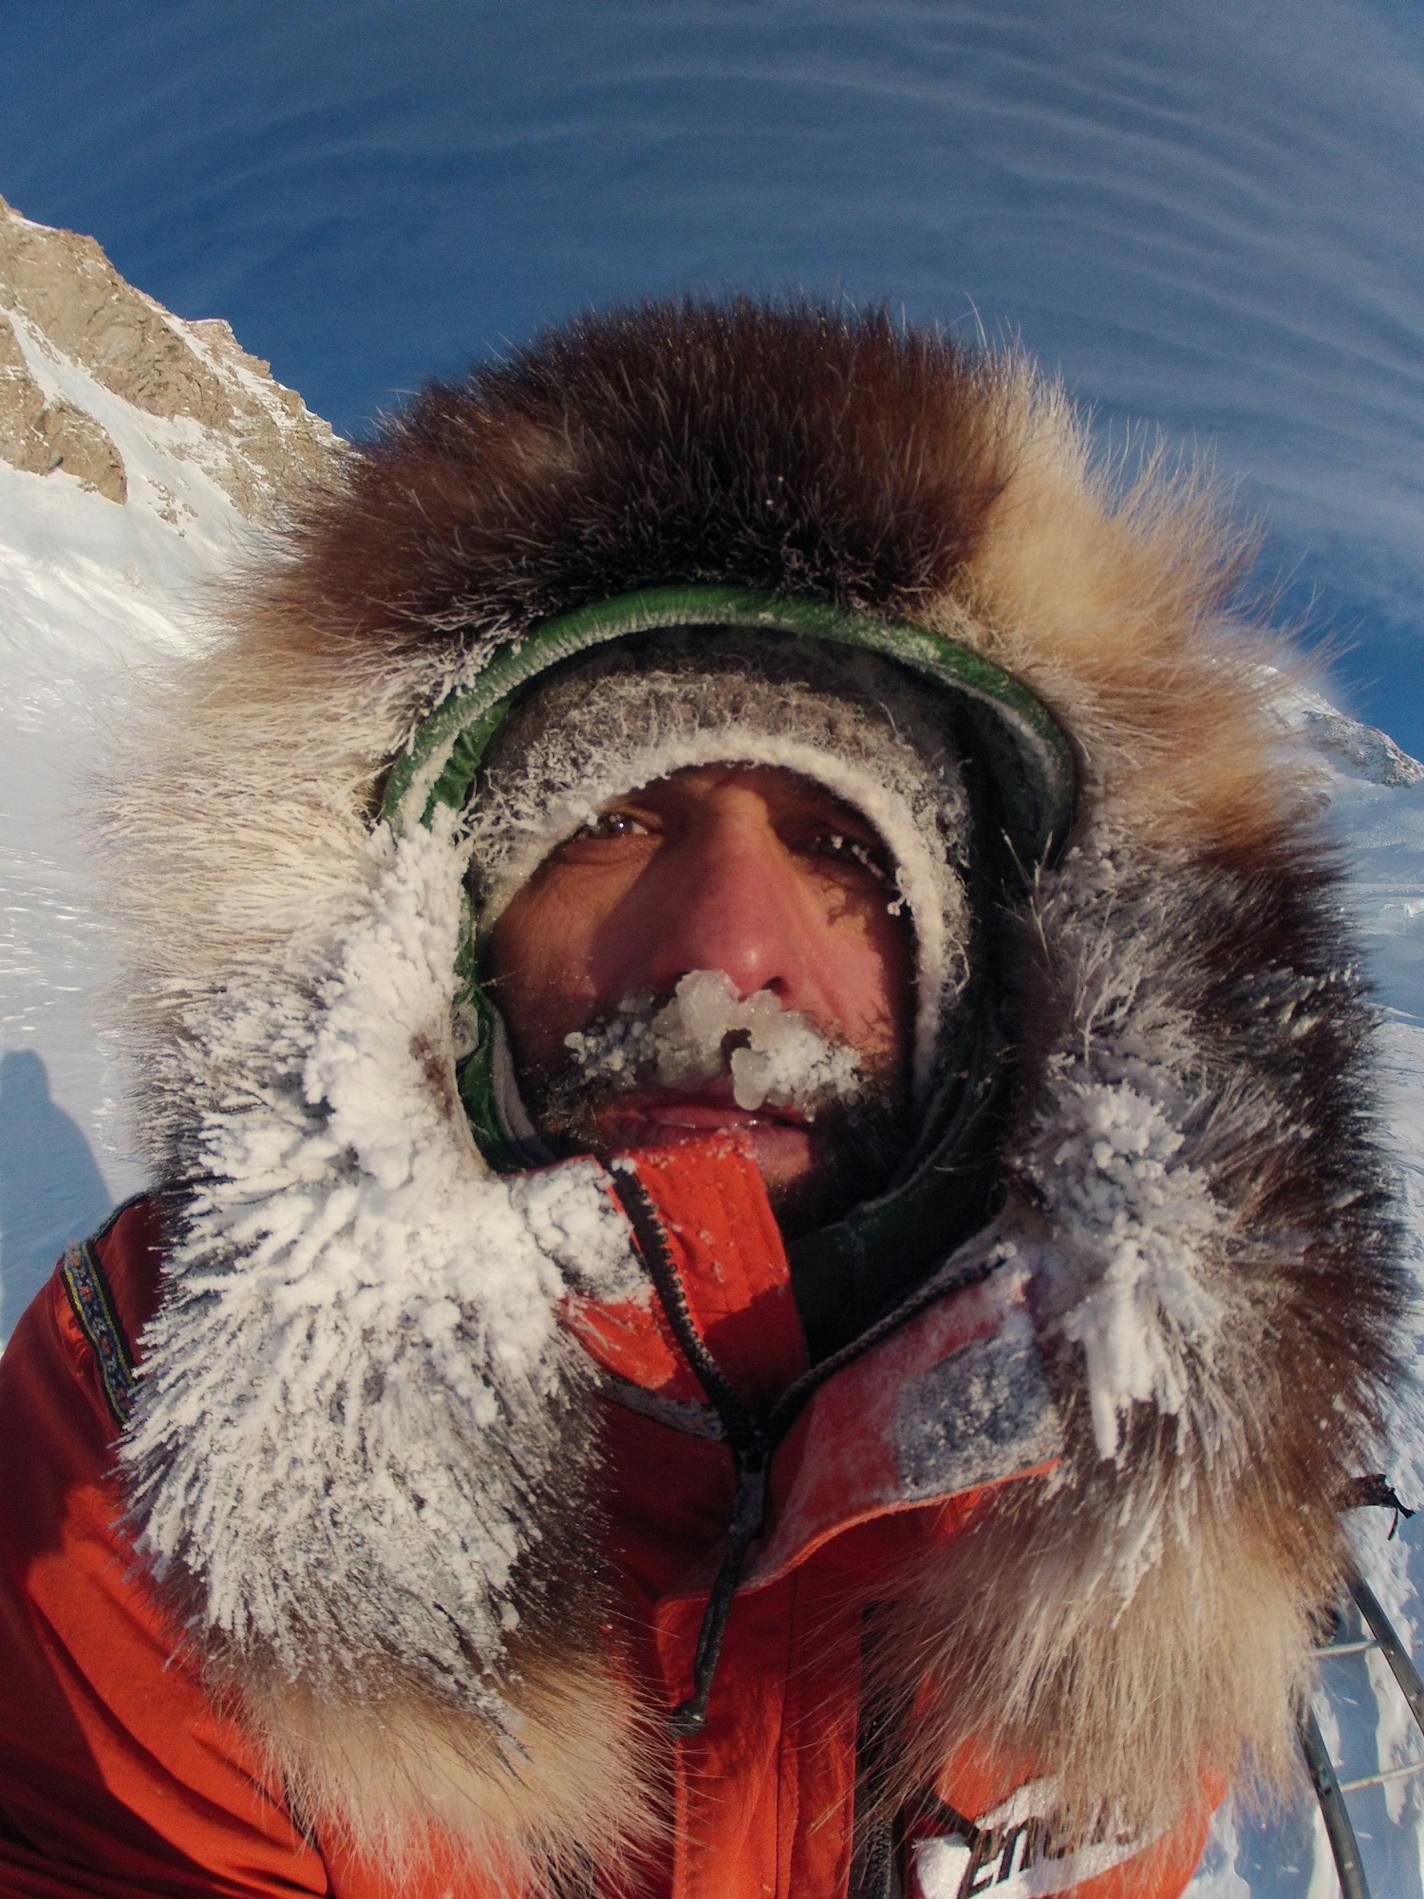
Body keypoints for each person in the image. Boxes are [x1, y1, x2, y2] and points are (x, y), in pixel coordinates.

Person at [0, 300, 1407, 1899]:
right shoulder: (159, 1434)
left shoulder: (1119, 1446)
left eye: (843, 853)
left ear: (990, 975)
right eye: (611, 827)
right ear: (437, 938)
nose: (729, 955)